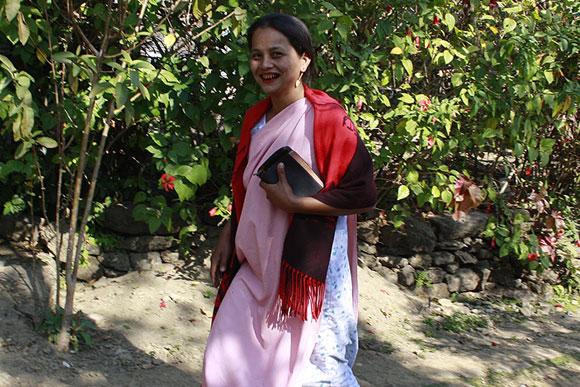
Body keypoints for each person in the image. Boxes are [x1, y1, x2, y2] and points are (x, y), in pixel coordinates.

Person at [202, 13, 377, 387]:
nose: (266, 65)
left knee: (320, 366)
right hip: (257, 257)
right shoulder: (255, 119)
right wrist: (228, 230)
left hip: (310, 265)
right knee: (227, 349)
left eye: (277, 54)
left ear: (304, 59)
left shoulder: (327, 118)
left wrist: (298, 205)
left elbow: (363, 193)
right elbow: (245, 188)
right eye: (257, 55)